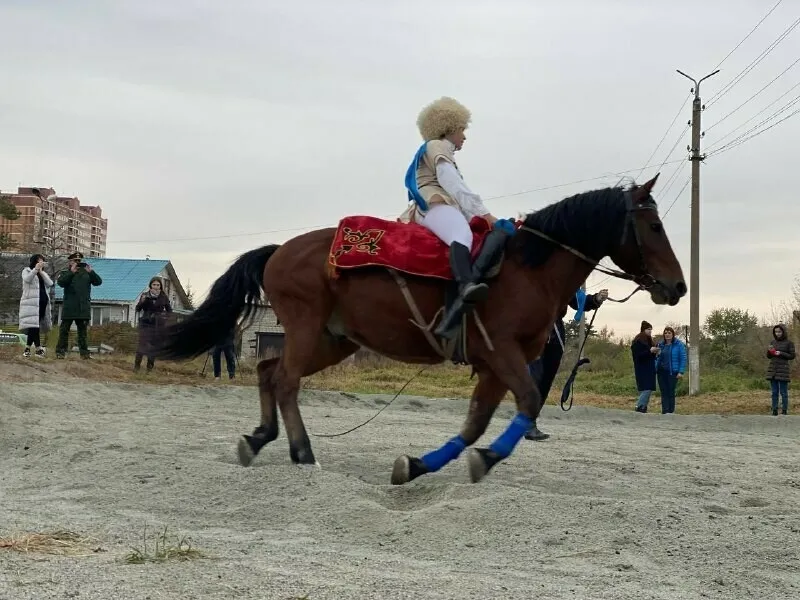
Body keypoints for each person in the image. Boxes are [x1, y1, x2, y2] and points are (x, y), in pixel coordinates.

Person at [400, 96, 516, 339]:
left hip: (441, 204)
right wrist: (486, 214)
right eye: (462, 129)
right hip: (433, 205)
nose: (464, 136)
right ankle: (466, 286)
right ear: (449, 127)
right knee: (460, 234)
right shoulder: (439, 146)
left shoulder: (438, 149)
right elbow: (452, 183)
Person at [524, 287, 609, 441]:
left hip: (555, 334)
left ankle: (530, 420)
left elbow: (577, 300)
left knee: (545, 381)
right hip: (533, 330)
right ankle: (527, 423)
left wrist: (596, 299)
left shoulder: (562, 279)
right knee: (535, 378)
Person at [55, 251, 102, 359]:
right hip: (69, 306)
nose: (77, 263)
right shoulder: (65, 272)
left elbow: (98, 282)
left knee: (83, 332)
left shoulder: (86, 273)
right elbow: (61, 283)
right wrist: (71, 272)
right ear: (70, 261)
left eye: (79, 261)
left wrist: (91, 272)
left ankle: (84, 353)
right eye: (75, 261)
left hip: (83, 307)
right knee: (64, 330)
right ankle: (60, 352)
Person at [134, 277, 173, 372]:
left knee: (153, 346)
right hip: (146, 323)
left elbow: (169, 311)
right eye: (154, 284)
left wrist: (164, 318)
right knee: (142, 345)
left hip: (157, 325)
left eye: (158, 285)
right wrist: (142, 301)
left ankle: (149, 368)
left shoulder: (163, 296)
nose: (156, 287)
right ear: (150, 285)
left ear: (160, 286)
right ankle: (137, 367)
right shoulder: (145, 295)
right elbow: (138, 309)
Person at [18, 254, 54, 358]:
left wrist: (41, 272)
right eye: (39, 261)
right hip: (31, 303)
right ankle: (36, 349)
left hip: (42, 302)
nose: (41, 263)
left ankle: (29, 349)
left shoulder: (42, 273)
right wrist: (35, 270)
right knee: (33, 326)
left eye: (43, 261)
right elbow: (27, 279)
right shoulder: (27, 271)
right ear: (34, 261)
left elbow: (50, 283)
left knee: (35, 326)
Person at [654, 326, 687, 414]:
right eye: (665, 333)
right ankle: (665, 411)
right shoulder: (660, 345)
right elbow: (656, 358)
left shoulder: (679, 344)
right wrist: (657, 356)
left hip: (672, 372)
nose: (667, 335)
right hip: (661, 372)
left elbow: (683, 358)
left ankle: (671, 412)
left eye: (669, 333)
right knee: (663, 392)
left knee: (670, 391)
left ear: (673, 334)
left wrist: (681, 371)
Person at [766, 323, 795, 416]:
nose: (777, 333)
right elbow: (768, 356)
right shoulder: (772, 342)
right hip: (773, 369)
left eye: (779, 331)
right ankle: (774, 409)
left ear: (783, 332)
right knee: (774, 392)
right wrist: (770, 351)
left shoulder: (789, 343)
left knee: (783, 392)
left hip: (783, 370)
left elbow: (792, 356)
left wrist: (781, 353)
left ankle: (784, 410)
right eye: (776, 332)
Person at [632, 320, 659, 413]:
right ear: (643, 330)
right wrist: (650, 351)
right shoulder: (638, 341)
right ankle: (639, 406)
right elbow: (638, 356)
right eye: (648, 329)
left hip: (649, 368)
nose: (650, 331)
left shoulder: (649, 340)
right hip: (642, 368)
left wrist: (655, 352)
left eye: (651, 329)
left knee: (647, 388)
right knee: (646, 388)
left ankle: (643, 407)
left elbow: (650, 355)